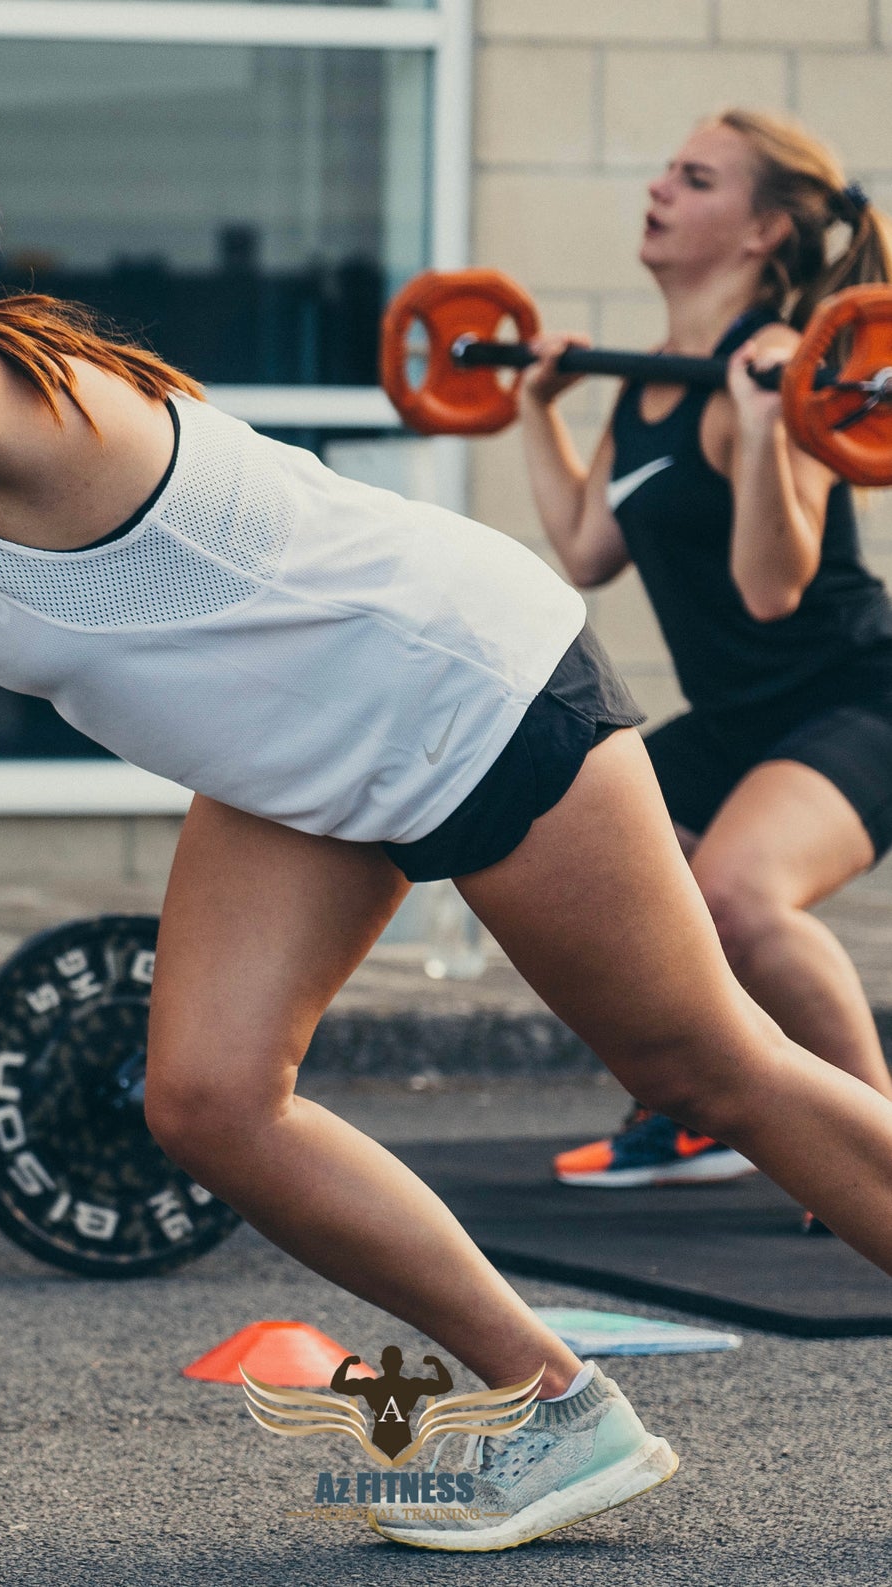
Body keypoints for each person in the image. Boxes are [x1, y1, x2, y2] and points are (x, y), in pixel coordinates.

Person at [0, 150, 892, 1551]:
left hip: (461, 683)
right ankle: (556, 1404)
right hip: (299, 756)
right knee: (208, 1098)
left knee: (705, 1064)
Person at [518, 110, 892, 1196]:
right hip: (739, 719)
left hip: (851, 698)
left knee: (733, 898)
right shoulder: (649, 381)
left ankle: (873, 1159)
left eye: (693, 179)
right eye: (664, 172)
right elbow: (587, 549)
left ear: (761, 232)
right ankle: (688, 1112)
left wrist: (772, 426)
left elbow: (771, 592)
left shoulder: (780, 373)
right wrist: (537, 410)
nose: (658, 189)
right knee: (574, 865)